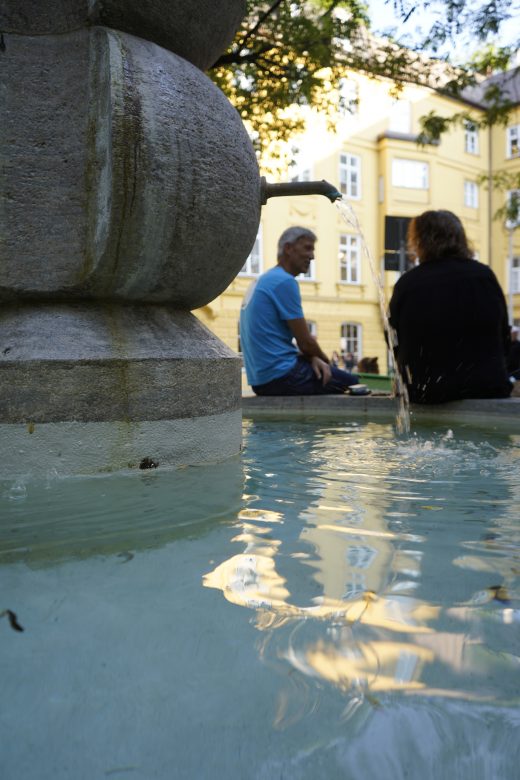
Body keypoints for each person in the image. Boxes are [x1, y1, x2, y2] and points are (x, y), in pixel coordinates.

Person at [388, 209, 512, 404]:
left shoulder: (408, 284)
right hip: (486, 389)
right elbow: (503, 335)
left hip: (426, 393)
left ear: (419, 241)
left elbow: (393, 339)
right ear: (461, 239)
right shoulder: (484, 277)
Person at [240, 226, 360, 395]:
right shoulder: (284, 281)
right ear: (288, 248)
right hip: (283, 376)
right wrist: (326, 362)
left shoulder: (264, 280)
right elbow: (306, 343)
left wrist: (312, 357)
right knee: (353, 383)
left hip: (259, 381)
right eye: (307, 248)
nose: (312, 256)